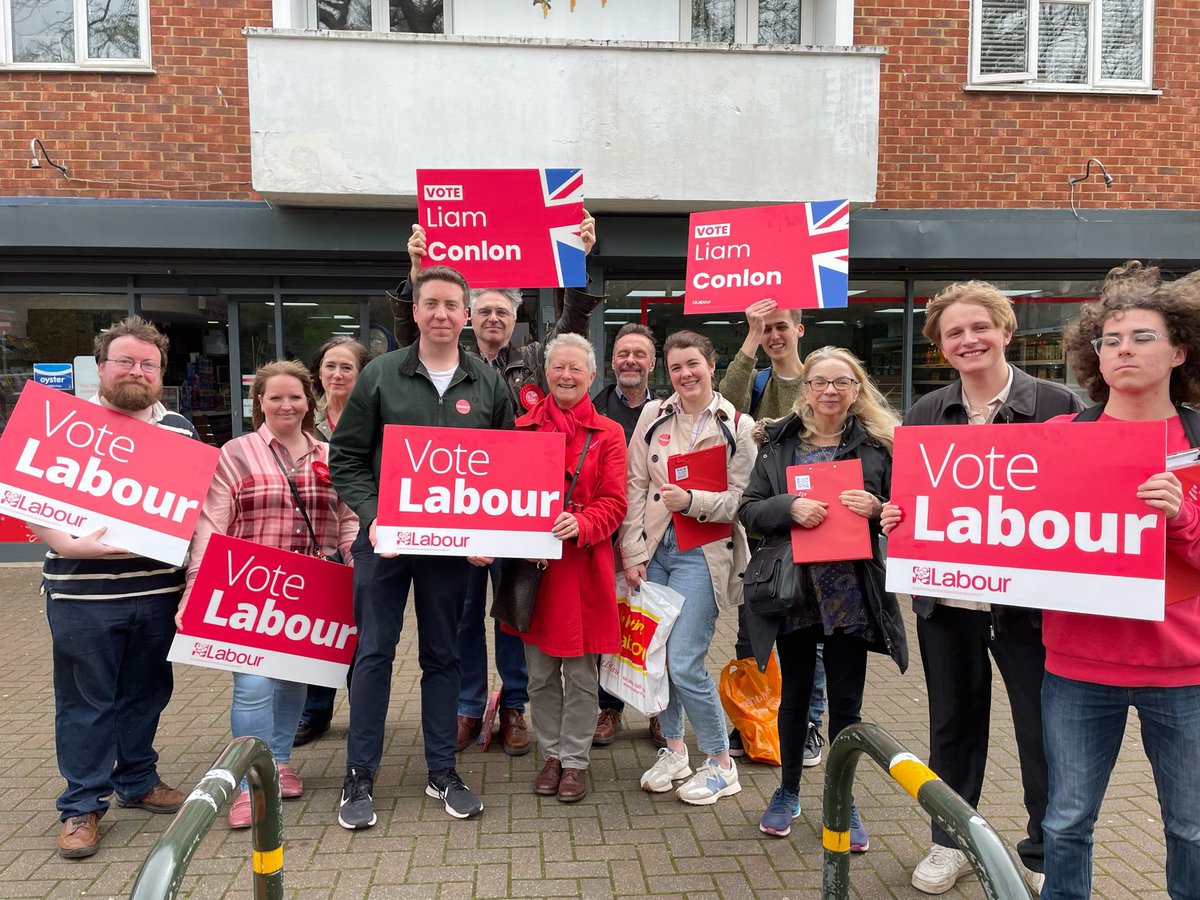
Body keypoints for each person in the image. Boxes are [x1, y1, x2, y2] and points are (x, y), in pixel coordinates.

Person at [881, 281, 1083, 894]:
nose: (968, 340)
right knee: (952, 726)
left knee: (1042, 731)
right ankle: (954, 842)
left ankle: (1048, 853)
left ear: (1005, 330)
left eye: (979, 328)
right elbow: (911, 500)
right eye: (953, 334)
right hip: (947, 603)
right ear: (941, 348)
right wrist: (896, 518)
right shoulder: (925, 414)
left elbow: (1081, 500)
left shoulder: (1058, 405)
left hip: (1030, 610)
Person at [393, 213, 601, 756]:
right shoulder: (445, 361)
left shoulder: (534, 361)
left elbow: (571, 322)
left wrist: (575, 263)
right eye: (482, 310)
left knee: (513, 611)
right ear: (467, 317)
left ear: (515, 319)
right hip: (461, 507)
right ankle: (467, 705)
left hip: (520, 512)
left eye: (502, 312)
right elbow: (403, 331)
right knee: (462, 616)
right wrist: (417, 271)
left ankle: (513, 708)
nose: (492, 318)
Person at [330, 265, 514, 828]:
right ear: (415, 311)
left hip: (451, 551)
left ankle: (442, 772)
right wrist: (373, 515)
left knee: (444, 656)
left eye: (451, 305)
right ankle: (358, 777)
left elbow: (505, 471)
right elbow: (347, 458)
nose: (440, 314)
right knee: (374, 654)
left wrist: (490, 534)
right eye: (430, 303)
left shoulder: (488, 383)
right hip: (384, 543)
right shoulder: (381, 374)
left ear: (464, 315)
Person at [1039, 262, 1200, 900]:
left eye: (1141, 336)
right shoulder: (1057, 438)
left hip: (1184, 668)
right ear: (1093, 357)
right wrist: (920, 523)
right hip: (1078, 666)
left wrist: (1183, 518)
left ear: (1179, 350)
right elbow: (1000, 528)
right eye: (1109, 340)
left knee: (1191, 829)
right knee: (1067, 821)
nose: (1122, 349)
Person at [36, 316, 197, 859]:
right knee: (86, 702)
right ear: (101, 367)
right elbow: (24, 492)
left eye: (147, 364)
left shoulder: (180, 428)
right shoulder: (65, 422)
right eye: (125, 361)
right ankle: (82, 805)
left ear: (160, 373)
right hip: (82, 594)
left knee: (147, 693)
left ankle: (137, 779)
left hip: (156, 591)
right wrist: (66, 544)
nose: (137, 371)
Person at [738, 347, 908, 848]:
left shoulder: (878, 447)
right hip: (796, 595)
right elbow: (749, 511)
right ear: (805, 389)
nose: (830, 390)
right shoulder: (777, 443)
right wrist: (789, 506)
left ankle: (842, 799)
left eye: (842, 382)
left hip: (850, 596)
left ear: (857, 390)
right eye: (820, 382)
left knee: (846, 707)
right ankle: (788, 790)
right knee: (793, 699)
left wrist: (878, 508)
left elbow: (906, 514)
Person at [179, 360, 358, 828]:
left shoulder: (327, 453)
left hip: (311, 588)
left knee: (294, 679)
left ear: (308, 402)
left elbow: (347, 516)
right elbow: (210, 525)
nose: (286, 405)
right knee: (254, 683)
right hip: (250, 586)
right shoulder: (235, 454)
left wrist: (357, 560)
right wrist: (195, 589)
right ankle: (245, 783)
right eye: (275, 397)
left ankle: (278, 761)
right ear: (259, 402)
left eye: (295, 397)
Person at [619, 330, 755, 805]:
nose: (685, 374)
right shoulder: (653, 416)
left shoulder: (737, 425)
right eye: (676, 367)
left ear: (711, 365)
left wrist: (694, 500)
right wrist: (631, 552)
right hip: (656, 548)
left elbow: (743, 500)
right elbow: (634, 483)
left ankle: (720, 762)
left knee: (683, 660)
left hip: (703, 552)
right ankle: (674, 749)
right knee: (655, 657)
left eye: (693, 364)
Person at [507, 334, 628, 802]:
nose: (566, 375)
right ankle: (551, 754)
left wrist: (581, 522)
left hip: (582, 568)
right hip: (536, 571)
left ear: (592, 376)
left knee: (580, 675)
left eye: (576, 368)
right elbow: (507, 499)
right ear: (547, 373)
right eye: (558, 367)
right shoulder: (522, 429)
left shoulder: (609, 433)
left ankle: (575, 761)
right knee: (538, 675)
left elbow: (615, 502)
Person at [719, 300, 827, 767]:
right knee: (753, 635)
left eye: (781, 327)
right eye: (767, 330)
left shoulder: (818, 380)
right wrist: (750, 333)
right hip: (762, 530)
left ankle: (809, 726)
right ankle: (756, 718)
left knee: (811, 637)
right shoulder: (758, 382)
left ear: (800, 329)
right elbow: (728, 401)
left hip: (812, 527)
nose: (774, 335)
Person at [294, 337, 372, 748]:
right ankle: (315, 712)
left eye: (347, 367)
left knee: (362, 630)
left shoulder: (373, 419)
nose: (337, 375)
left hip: (365, 537)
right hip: (315, 537)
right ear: (318, 372)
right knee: (318, 630)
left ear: (361, 375)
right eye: (330, 366)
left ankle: (364, 713)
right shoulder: (303, 419)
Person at [590, 322, 662, 747]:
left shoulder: (673, 408)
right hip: (609, 534)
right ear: (612, 361)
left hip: (660, 535)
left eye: (639, 354)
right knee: (612, 623)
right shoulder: (596, 410)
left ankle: (657, 710)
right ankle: (609, 708)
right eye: (623, 354)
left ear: (652, 363)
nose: (631, 361)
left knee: (657, 624)